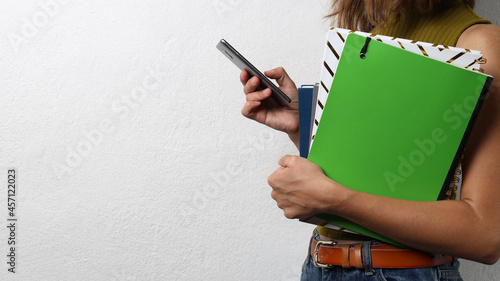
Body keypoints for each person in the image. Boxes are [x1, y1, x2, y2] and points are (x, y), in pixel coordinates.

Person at [239, 0, 500, 280]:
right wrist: (300, 126)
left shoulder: (480, 44)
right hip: (320, 265)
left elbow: (486, 237)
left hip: (400, 272)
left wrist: (336, 200)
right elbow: (376, 175)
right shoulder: (374, 29)